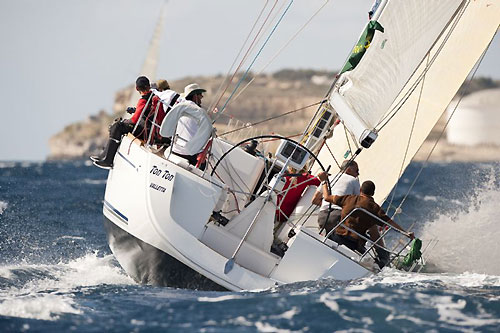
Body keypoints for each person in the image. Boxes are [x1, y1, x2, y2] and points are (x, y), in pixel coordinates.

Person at [317, 176, 414, 268]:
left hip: (337, 237)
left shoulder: (349, 199)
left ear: (360, 190)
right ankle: (384, 260)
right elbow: (390, 223)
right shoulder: (375, 208)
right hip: (354, 244)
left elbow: (327, 197)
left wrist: (324, 182)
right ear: (373, 193)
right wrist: (406, 233)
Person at [91, 76, 165, 169]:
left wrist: (124, 122)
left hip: (143, 131)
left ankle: (108, 160)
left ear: (137, 88)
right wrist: (135, 111)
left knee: (117, 126)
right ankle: (104, 156)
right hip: (150, 131)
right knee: (117, 125)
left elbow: (134, 120)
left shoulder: (144, 100)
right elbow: (147, 113)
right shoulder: (155, 97)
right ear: (148, 86)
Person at [312, 160, 360, 235]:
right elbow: (357, 203)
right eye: (357, 171)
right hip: (338, 217)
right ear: (349, 170)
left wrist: (326, 205)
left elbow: (314, 200)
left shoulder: (328, 178)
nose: (358, 174)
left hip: (322, 217)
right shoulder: (354, 180)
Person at [170, 83, 208, 166]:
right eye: (200, 95)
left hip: (174, 150)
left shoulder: (178, 107)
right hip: (189, 155)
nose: (202, 97)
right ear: (195, 96)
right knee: (205, 161)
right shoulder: (199, 112)